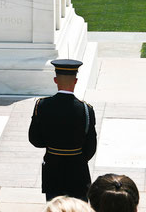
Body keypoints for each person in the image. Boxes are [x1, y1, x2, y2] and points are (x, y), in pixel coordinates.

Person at [28, 59, 97, 202]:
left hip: (53, 170)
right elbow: (91, 147)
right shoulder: (86, 109)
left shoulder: (42, 105)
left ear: (55, 80)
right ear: (76, 81)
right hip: (78, 171)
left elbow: (35, 139)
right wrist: (77, 157)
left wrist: (52, 145)